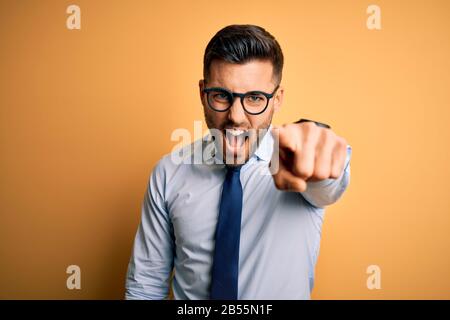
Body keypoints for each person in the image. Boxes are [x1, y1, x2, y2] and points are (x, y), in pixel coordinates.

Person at [125, 24, 352, 300]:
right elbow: (145, 285)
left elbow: (327, 183)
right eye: (221, 95)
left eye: (255, 98)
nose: (236, 116)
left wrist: (320, 155)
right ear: (202, 93)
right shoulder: (168, 173)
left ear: (277, 99)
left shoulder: (296, 165)